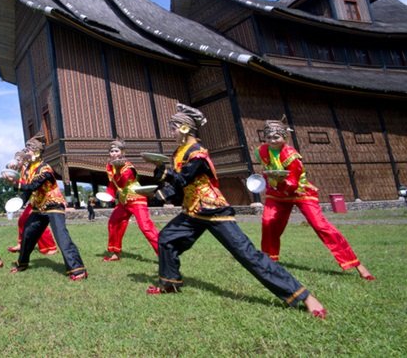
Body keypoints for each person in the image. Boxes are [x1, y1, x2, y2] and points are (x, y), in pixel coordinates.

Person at [147, 103, 327, 318]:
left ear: (185, 129)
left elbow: (183, 178)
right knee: (167, 238)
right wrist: (161, 187)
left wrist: (165, 175)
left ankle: (303, 295)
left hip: (213, 211)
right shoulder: (180, 152)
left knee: (247, 254)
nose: (172, 132)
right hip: (192, 211)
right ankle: (169, 284)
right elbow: (179, 186)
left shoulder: (197, 154)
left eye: (174, 127)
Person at [256, 117, 374, 280]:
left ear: (285, 137)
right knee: (269, 223)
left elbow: (293, 182)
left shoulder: (292, 156)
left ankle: (356, 264)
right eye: (268, 137)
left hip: (300, 191)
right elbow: (267, 169)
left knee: (321, 226)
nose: (272, 140)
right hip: (277, 193)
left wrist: (280, 181)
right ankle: (269, 261)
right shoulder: (262, 151)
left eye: (276, 137)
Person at [11, 135, 87, 281]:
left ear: (37, 151)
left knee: (61, 236)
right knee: (28, 234)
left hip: (53, 204)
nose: (26, 151)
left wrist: (16, 184)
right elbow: (28, 190)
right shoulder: (27, 170)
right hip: (38, 206)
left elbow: (34, 185)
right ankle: (22, 264)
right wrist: (19, 202)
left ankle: (78, 270)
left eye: (29, 149)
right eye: (26, 148)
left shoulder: (45, 168)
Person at [102, 139, 159, 262]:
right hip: (123, 201)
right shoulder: (109, 166)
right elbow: (112, 184)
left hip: (136, 198)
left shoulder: (128, 166)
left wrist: (117, 170)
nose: (114, 153)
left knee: (145, 227)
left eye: (116, 151)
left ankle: (163, 253)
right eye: (111, 151)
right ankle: (115, 253)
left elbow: (123, 181)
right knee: (114, 222)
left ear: (122, 152)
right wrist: (109, 195)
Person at [4, 152, 57, 256]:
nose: (16, 163)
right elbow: (26, 189)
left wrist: (16, 183)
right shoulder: (23, 171)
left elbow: (30, 186)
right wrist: (20, 201)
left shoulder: (31, 168)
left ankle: (50, 247)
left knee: (38, 223)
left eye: (18, 160)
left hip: (45, 198)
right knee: (22, 220)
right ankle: (21, 244)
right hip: (34, 199)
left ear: (24, 160)